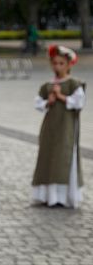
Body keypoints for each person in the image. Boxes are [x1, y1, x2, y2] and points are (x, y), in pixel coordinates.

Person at [31, 45, 86, 208]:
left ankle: (62, 197)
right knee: (48, 156)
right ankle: (47, 196)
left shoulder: (74, 84)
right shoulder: (47, 85)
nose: (58, 67)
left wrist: (61, 96)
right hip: (50, 128)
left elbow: (79, 102)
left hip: (66, 128)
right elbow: (38, 103)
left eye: (61, 63)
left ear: (69, 64)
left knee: (63, 158)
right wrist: (49, 100)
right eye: (55, 63)